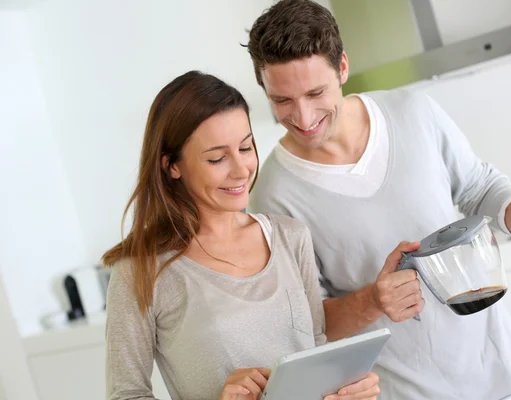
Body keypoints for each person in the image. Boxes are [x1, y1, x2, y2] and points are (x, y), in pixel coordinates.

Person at [244, 1, 511, 399]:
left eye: (315, 92)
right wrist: (371, 301)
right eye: (282, 101)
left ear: (342, 67)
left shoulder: (411, 112)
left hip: (510, 379)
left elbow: (479, 187)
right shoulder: (272, 195)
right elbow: (303, 324)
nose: (303, 117)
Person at [102, 70, 380, 400]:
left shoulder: (291, 238)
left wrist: (346, 389)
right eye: (217, 158)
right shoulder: (140, 270)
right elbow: (126, 395)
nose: (240, 169)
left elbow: (316, 349)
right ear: (171, 166)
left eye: (246, 147)